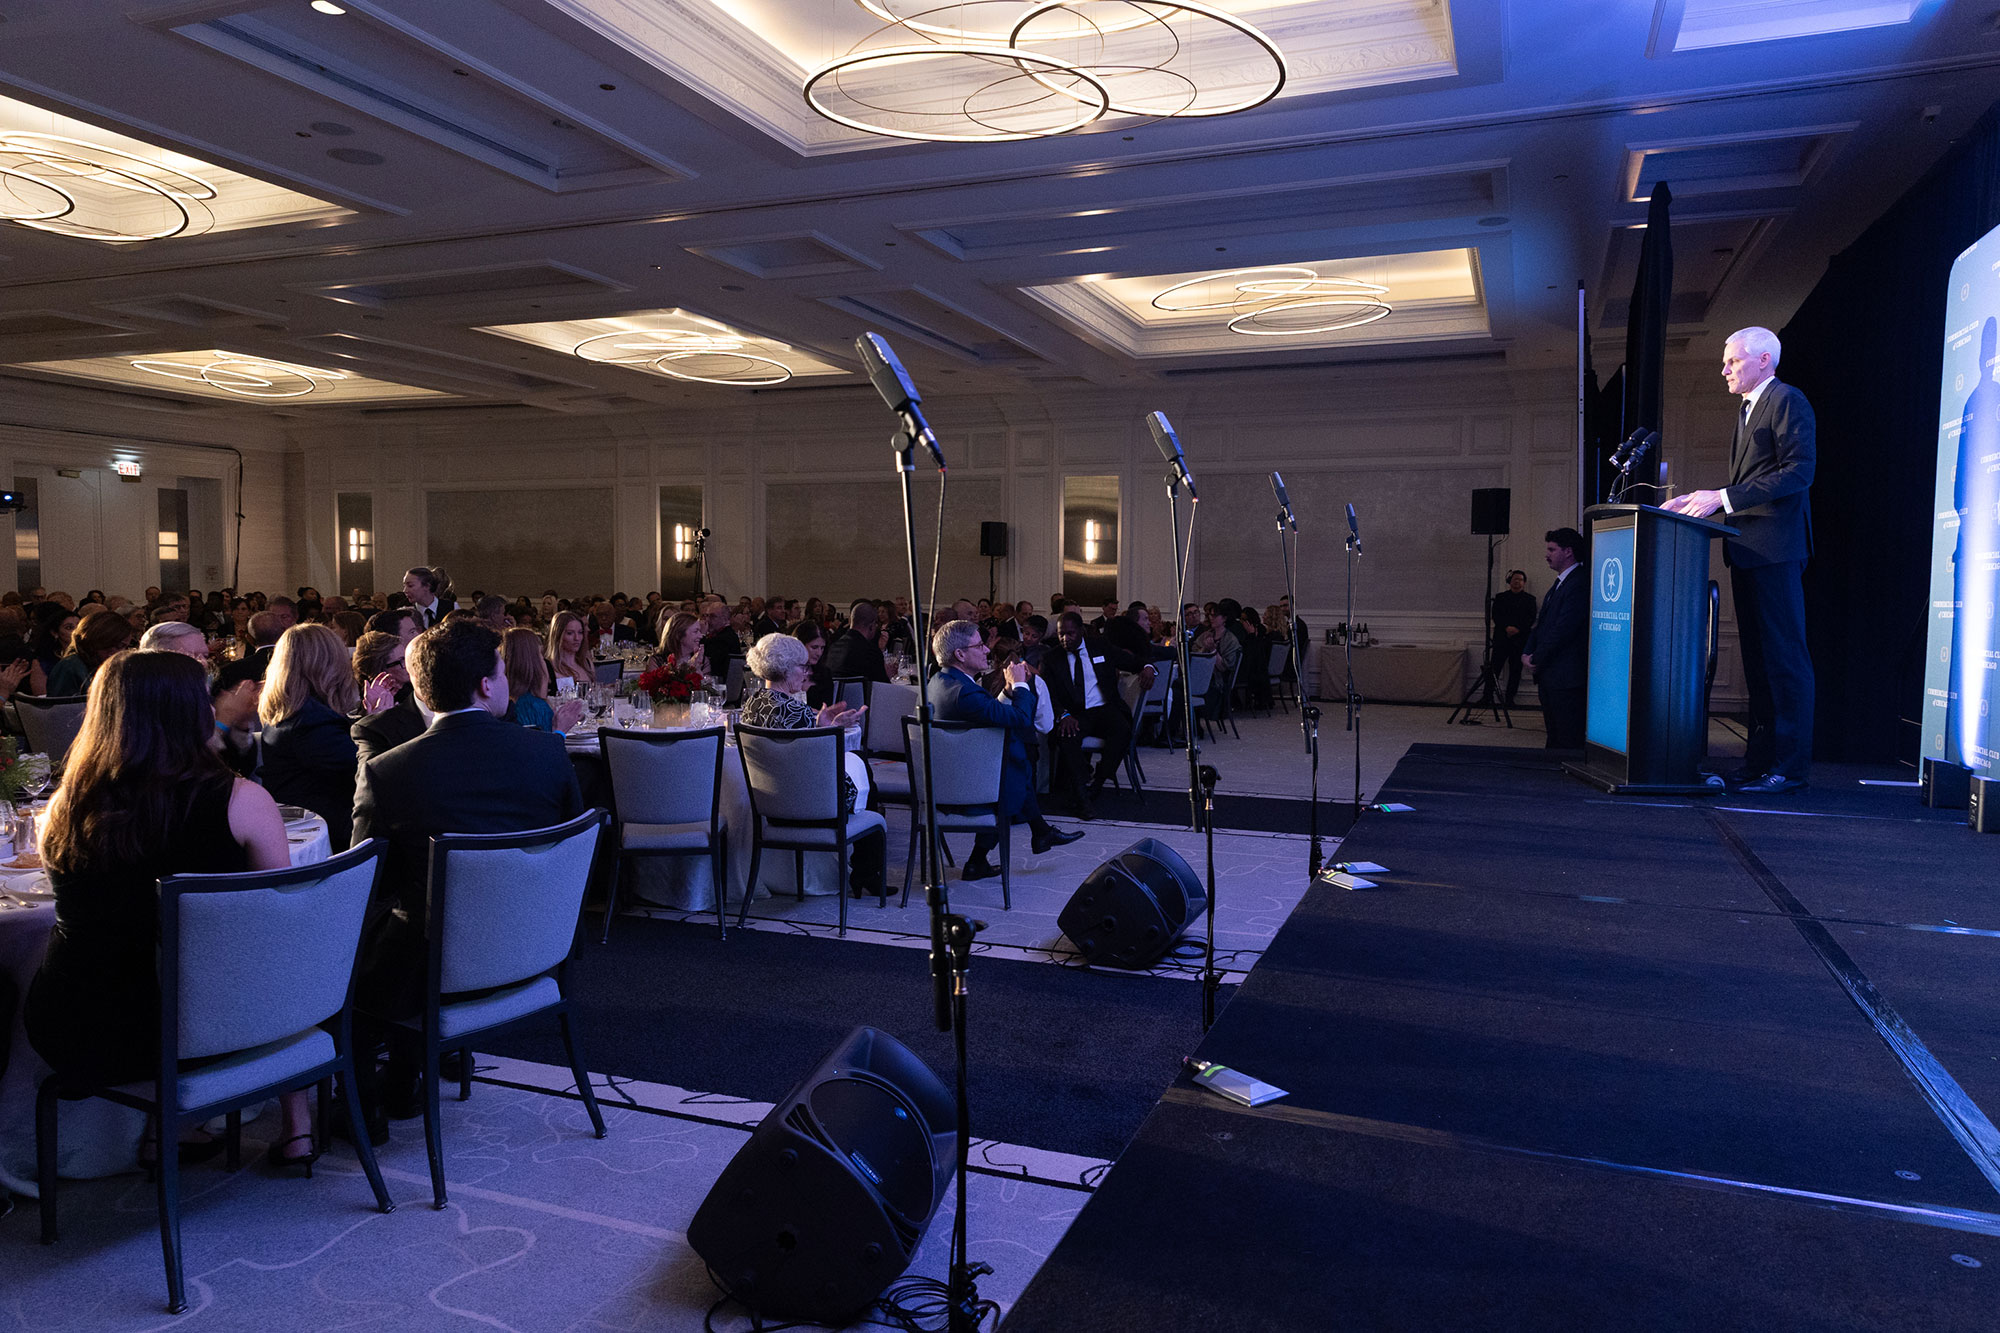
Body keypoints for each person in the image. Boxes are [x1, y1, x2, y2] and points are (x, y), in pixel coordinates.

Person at [25, 650, 319, 1173]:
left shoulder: (63, 806)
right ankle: (297, 1129)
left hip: (76, 1020)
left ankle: (174, 1130)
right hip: (197, 1027)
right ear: (192, 714)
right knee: (278, 956)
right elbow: (279, 921)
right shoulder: (240, 800)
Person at [349, 619, 583, 1129]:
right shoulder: (547, 753)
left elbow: (366, 881)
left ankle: (366, 1111)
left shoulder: (388, 771)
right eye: (502, 673)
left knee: (357, 951)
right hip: (535, 948)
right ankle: (406, 1080)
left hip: (434, 963)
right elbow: (568, 849)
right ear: (486, 685)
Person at [1663, 325, 1817, 793]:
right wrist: (1700, 500)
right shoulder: (1748, 409)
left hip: (1775, 549)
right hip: (1747, 549)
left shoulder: (1787, 400)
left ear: (1764, 361)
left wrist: (1723, 497)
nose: (1725, 369)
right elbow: (1748, 483)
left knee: (1785, 662)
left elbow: (1798, 472)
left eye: (1733, 361)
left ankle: (1789, 769)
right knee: (1758, 665)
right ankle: (1759, 761)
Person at [926, 619, 1083, 882]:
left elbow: (991, 713)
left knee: (1013, 763)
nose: (987, 650)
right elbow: (1022, 720)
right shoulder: (964, 693)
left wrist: (1008, 692)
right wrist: (1020, 684)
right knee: (1016, 768)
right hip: (965, 793)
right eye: (979, 645)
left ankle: (1033, 835)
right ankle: (1034, 834)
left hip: (944, 780)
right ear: (960, 654)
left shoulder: (939, 681)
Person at [739, 633, 880, 897]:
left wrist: (825, 726)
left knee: (859, 768)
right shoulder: (797, 711)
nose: (806, 674)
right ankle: (867, 871)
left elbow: (791, 752)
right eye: (802, 667)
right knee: (864, 772)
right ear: (783, 669)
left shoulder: (753, 703)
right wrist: (832, 729)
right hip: (809, 806)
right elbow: (817, 762)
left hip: (770, 803)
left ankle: (866, 871)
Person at [258, 623, 362, 850]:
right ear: (329, 663)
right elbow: (364, 770)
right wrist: (378, 721)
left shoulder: (289, 710)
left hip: (303, 816)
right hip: (328, 828)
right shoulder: (311, 721)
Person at [1042, 611, 1152, 816]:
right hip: (1074, 713)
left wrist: (1147, 667)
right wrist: (1063, 714)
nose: (1065, 639)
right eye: (1061, 634)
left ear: (1081, 632)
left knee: (1122, 729)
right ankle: (1083, 796)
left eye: (1070, 633)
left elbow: (1133, 661)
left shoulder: (1100, 646)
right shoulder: (1051, 658)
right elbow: (1048, 694)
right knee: (1067, 736)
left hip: (1104, 707)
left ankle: (1099, 781)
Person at [1522, 528, 1587, 750]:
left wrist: (1536, 657)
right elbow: (1542, 624)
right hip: (1551, 674)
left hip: (1566, 677)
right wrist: (1527, 652)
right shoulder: (1558, 584)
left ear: (1568, 552)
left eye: (1552, 549)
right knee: (1554, 733)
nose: (1546, 554)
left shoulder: (1578, 583)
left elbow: (1563, 629)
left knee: (1568, 736)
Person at [350, 631, 424, 765]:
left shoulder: (414, 690)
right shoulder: (369, 708)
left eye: (406, 658)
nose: (409, 664)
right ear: (380, 670)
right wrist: (379, 720)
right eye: (401, 661)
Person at [503, 626, 584, 733]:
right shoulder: (535, 707)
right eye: (540, 655)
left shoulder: (505, 702)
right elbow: (549, 746)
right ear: (533, 662)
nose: (544, 660)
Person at [48, 607, 136, 696]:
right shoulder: (70, 667)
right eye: (119, 646)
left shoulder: (102, 663)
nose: (121, 653)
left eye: (125, 647)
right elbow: (63, 709)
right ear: (101, 640)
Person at [1489, 570, 1536, 708]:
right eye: (1515, 579)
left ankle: (1510, 698)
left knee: (1515, 670)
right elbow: (1496, 615)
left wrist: (1518, 629)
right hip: (1501, 637)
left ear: (1524, 583)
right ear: (1510, 581)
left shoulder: (1530, 599)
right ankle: (1487, 696)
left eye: (1520, 579)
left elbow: (1530, 618)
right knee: (1494, 668)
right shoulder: (1500, 597)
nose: (1517, 582)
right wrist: (1506, 628)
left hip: (1520, 639)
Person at [824, 600, 890, 683]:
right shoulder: (870, 651)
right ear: (871, 626)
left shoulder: (834, 648)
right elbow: (882, 686)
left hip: (834, 694)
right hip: (861, 695)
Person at [546, 609, 594, 695]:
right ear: (558, 635)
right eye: (570, 633)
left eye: (580, 632)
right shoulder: (547, 667)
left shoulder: (587, 664)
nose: (577, 638)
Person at [791, 619, 835, 708]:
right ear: (800, 645)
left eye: (822, 648)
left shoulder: (824, 674)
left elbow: (826, 708)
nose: (819, 653)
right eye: (814, 647)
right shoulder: (785, 670)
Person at [401, 566, 451, 630]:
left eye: (410, 586)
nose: (405, 590)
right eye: (404, 586)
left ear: (427, 586)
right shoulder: (404, 612)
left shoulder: (452, 607)